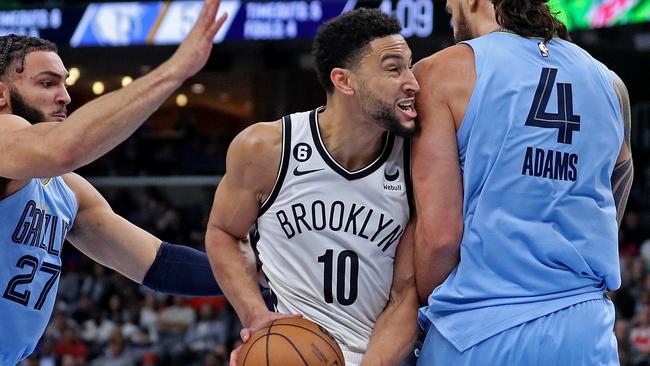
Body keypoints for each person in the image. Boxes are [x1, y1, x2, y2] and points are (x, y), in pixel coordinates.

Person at [0, 0, 228, 364]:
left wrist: (257, 281)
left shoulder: (65, 190)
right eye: (47, 83)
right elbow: (63, 148)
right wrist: (175, 70)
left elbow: (158, 264)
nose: (65, 96)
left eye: (64, 83)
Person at [411, 0, 634, 363]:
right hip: (585, 332)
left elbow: (440, 237)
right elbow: (616, 191)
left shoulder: (439, 73)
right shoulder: (610, 83)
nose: (448, 5)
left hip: (479, 331)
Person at [205, 8, 419, 366]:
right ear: (344, 81)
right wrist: (255, 314)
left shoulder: (417, 162)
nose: (413, 81)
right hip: (292, 352)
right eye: (394, 68)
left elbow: (406, 294)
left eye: (410, 66)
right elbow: (224, 232)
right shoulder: (266, 148)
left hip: (382, 356)